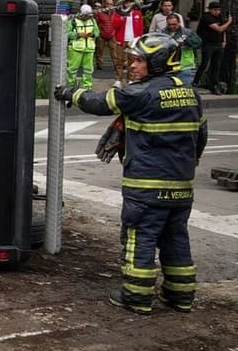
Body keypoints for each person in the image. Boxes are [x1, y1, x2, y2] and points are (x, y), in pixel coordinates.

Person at [52, 33, 206, 315]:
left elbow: (97, 102)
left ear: (156, 63)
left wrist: (68, 93)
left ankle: (136, 296)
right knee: (176, 238)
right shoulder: (191, 93)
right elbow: (202, 135)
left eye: (138, 61)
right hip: (182, 187)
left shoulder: (139, 93)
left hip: (145, 186)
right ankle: (181, 295)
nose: (131, 66)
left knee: (140, 238)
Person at [194, 1, 232, 94]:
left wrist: (224, 40)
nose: (217, 12)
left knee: (217, 65)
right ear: (210, 9)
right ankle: (195, 82)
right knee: (204, 64)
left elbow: (223, 31)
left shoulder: (219, 17)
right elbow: (219, 29)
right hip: (208, 44)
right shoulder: (206, 17)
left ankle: (214, 85)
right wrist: (229, 22)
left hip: (218, 44)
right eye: (215, 10)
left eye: (219, 10)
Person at [112, 0, 145, 87]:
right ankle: (118, 80)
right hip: (121, 40)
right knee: (119, 60)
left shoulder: (137, 13)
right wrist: (122, 18)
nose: (129, 4)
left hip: (133, 41)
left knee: (132, 61)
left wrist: (139, 39)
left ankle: (130, 79)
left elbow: (141, 28)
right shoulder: (118, 13)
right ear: (124, 4)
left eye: (131, 3)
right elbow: (114, 25)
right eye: (127, 3)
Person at [66, 4, 99, 89]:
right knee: (72, 69)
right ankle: (70, 87)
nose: (87, 17)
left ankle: (87, 87)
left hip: (89, 49)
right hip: (75, 49)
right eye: (86, 15)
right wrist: (78, 35)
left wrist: (92, 34)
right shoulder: (72, 21)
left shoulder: (92, 21)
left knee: (89, 70)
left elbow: (97, 32)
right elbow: (67, 33)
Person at [163, 14, 202, 86]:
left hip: (184, 68)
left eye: (174, 24)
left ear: (179, 23)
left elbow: (199, 43)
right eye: (169, 24)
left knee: (185, 91)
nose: (171, 26)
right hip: (167, 69)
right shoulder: (162, 33)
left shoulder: (187, 32)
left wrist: (186, 41)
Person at [94, 0, 116, 71]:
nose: (110, 5)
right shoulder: (100, 13)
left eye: (111, 4)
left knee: (114, 51)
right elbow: (96, 23)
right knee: (99, 51)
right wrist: (98, 32)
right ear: (105, 4)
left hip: (112, 35)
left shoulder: (115, 13)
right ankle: (99, 65)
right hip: (102, 35)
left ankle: (116, 65)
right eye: (108, 4)